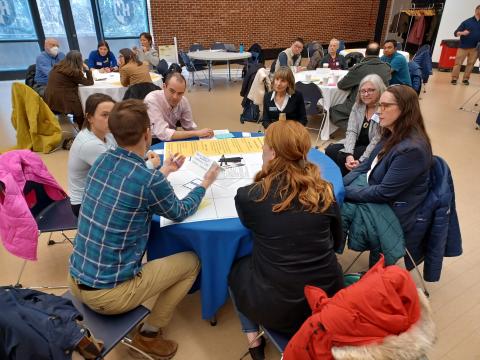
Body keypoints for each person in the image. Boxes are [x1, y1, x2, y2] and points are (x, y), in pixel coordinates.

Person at [68, 99, 220, 360]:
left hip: (76, 277)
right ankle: (149, 334)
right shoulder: (148, 180)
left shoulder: (103, 161)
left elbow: (130, 182)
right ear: (147, 133)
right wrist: (205, 183)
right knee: (192, 262)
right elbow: (180, 211)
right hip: (108, 294)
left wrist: (163, 170)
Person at [229, 120, 344, 360]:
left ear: (271, 152)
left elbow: (251, 226)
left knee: (236, 268)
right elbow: (336, 243)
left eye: (265, 145)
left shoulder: (250, 197)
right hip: (325, 299)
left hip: (276, 308)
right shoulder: (325, 190)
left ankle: (253, 339)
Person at [343, 85, 432, 252]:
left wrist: (342, 191)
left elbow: (384, 193)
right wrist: (339, 185)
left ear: (405, 109)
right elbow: (366, 166)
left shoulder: (412, 149)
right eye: (379, 105)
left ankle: (323, 261)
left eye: (386, 106)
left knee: (330, 210)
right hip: (375, 188)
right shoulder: (391, 133)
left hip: (394, 208)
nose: (379, 111)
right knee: (328, 201)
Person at [325, 74, 386, 176]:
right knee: (330, 150)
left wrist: (362, 160)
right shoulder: (358, 105)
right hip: (357, 141)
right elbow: (351, 131)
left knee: (342, 157)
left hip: (372, 146)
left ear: (379, 90)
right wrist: (349, 153)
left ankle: (346, 183)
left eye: (371, 90)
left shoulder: (383, 108)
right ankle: (335, 178)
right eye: (363, 91)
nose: (366, 94)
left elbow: (377, 139)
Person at [67, 94, 117, 217]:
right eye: (105, 115)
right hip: (85, 204)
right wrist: (147, 164)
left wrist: (145, 154)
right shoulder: (90, 144)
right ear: (90, 117)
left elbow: (122, 154)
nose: (111, 119)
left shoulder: (105, 132)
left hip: (99, 193)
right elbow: (118, 176)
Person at [330, 42, 391, 130]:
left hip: (362, 103)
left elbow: (341, 85)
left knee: (333, 111)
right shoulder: (386, 68)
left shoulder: (359, 68)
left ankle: (357, 130)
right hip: (380, 104)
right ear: (378, 54)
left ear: (365, 53)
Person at [144, 72, 213, 142]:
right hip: (152, 140)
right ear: (164, 87)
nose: (175, 97)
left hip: (170, 139)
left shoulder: (183, 101)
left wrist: (203, 134)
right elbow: (162, 133)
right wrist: (196, 133)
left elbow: (189, 127)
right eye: (172, 91)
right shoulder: (152, 100)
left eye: (180, 93)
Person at [44, 50, 94, 128]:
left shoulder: (58, 66)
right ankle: (83, 128)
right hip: (62, 98)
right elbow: (89, 82)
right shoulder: (74, 72)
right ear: (79, 61)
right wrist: (87, 69)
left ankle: (75, 120)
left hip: (49, 96)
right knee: (79, 111)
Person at [451, 5, 480, 85]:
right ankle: (454, 78)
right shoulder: (467, 22)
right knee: (458, 63)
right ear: (477, 10)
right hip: (463, 47)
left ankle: (465, 79)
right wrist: (462, 33)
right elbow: (455, 33)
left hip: (475, 48)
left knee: (471, 64)